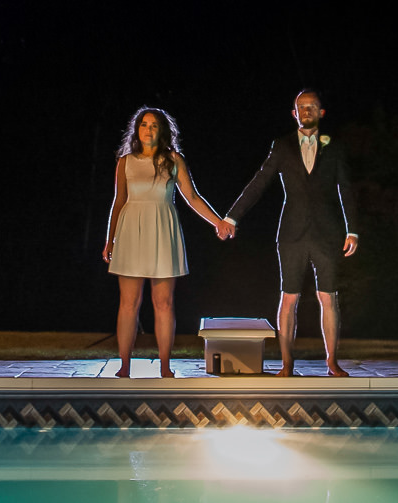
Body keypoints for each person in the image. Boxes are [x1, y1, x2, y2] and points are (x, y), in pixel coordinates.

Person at [226, 88, 359, 376]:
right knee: (289, 297)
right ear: (294, 113)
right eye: (302, 106)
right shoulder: (282, 146)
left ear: (321, 112)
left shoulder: (334, 146)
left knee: (329, 296)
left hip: (327, 232)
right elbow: (259, 183)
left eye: (312, 106)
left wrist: (353, 230)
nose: (307, 110)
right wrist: (232, 217)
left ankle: (332, 361)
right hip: (291, 233)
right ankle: (287, 365)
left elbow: (346, 188)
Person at [102, 106, 233, 377]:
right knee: (129, 302)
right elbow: (118, 202)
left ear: (161, 130)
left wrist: (218, 221)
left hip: (163, 230)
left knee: (163, 302)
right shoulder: (125, 162)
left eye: (153, 125)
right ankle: (124, 366)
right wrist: (109, 240)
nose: (148, 129)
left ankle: (164, 366)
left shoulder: (173, 160)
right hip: (130, 232)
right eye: (143, 124)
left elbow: (192, 197)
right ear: (136, 130)